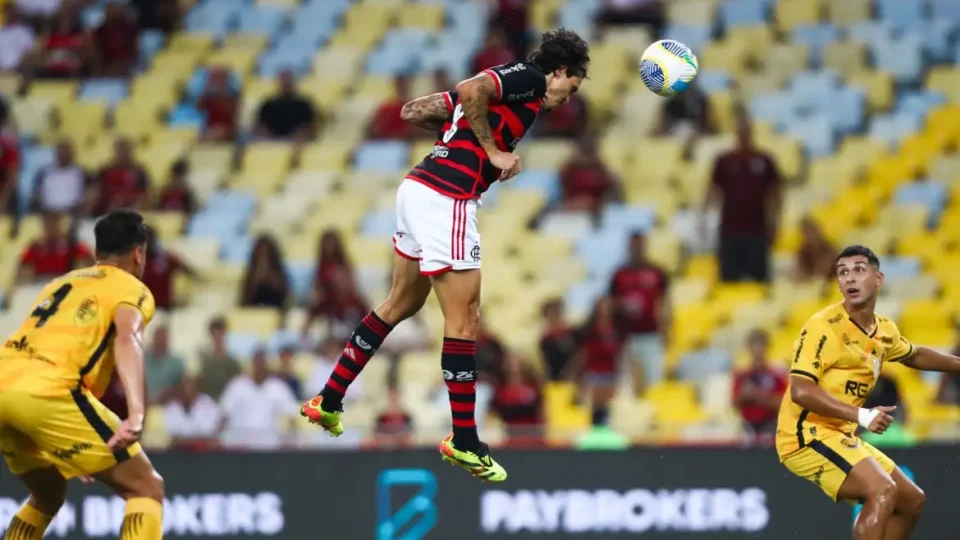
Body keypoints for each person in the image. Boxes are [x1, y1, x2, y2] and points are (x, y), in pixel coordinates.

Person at [301, 28, 590, 482]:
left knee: (402, 303)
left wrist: (465, 122)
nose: (567, 99)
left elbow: (414, 110)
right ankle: (464, 440)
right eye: (570, 87)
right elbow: (471, 89)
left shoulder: (514, 93)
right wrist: (491, 149)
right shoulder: (531, 79)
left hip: (416, 189)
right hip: (447, 196)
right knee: (464, 320)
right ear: (558, 72)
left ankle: (329, 399)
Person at [0, 209, 164, 539]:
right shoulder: (132, 288)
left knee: (48, 494)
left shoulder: (61, 283)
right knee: (146, 487)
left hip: (5, 382)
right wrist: (136, 413)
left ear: (95, 253)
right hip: (47, 392)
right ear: (138, 253)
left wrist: (80, 445)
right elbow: (127, 337)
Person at [776, 245, 960, 539]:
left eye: (859, 270)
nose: (850, 278)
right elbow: (800, 390)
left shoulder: (884, 331)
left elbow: (914, 355)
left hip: (840, 434)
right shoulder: (823, 327)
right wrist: (862, 416)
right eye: (843, 272)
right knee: (882, 489)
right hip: (804, 435)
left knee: (911, 500)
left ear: (878, 279)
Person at [702, 111, 782, 283]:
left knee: (760, 283)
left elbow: (776, 194)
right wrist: (704, 219)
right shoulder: (724, 160)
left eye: (746, 129)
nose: (743, 132)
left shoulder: (764, 160)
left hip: (757, 231)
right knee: (728, 284)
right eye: (740, 129)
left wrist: (775, 223)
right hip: (730, 232)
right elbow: (712, 190)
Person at [608, 232, 669, 391]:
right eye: (632, 246)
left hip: (651, 335)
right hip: (626, 336)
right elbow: (610, 303)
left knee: (654, 380)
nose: (636, 249)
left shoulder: (656, 272)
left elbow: (665, 303)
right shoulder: (619, 275)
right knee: (627, 382)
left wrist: (666, 331)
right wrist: (621, 306)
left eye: (639, 245)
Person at [732, 329, 785, 443]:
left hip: (771, 425)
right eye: (753, 345)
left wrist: (757, 395)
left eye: (761, 345)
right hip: (747, 426)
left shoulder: (776, 374)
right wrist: (745, 395)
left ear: (767, 347)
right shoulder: (741, 375)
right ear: (748, 348)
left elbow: (783, 404)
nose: (757, 350)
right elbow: (734, 403)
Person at [239, 234, 290, 310]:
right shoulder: (250, 275)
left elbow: (285, 298)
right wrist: (255, 282)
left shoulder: (280, 275)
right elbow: (245, 302)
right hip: (253, 314)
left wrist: (270, 279)